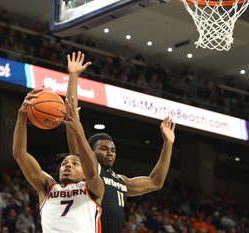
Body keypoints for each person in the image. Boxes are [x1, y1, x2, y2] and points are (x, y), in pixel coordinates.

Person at [66, 51, 176, 233]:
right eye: (103, 148)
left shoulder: (121, 181)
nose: (110, 152)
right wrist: (73, 77)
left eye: (113, 149)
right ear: (90, 152)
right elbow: (72, 119)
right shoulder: (87, 169)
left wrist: (168, 143)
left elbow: (156, 181)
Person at [12, 86, 104, 233]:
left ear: (84, 171)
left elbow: (92, 170)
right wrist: (22, 115)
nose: (68, 166)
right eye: (64, 163)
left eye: (75, 164)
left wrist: (78, 132)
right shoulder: (47, 186)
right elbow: (19, 154)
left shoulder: (93, 187)